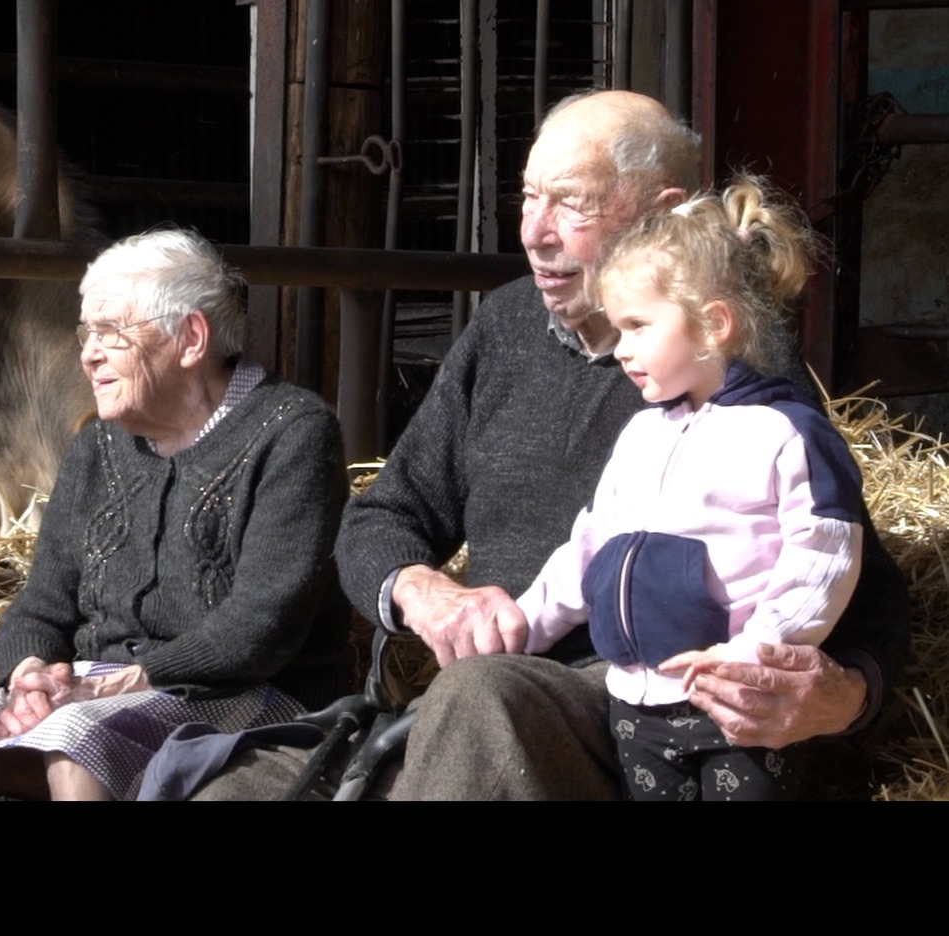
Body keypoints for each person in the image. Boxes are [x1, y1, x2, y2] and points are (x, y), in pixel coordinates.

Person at [194, 88, 908, 801]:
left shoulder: (732, 366)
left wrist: (842, 694)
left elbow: (861, 581)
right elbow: (383, 514)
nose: (535, 231)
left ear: (658, 214)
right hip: (475, 721)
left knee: (481, 694)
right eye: (530, 197)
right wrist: (425, 592)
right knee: (231, 786)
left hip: (643, 706)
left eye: (572, 203)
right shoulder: (504, 327)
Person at [0, 228, 350, 800]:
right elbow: (40, 606)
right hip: (99, 693)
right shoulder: (97, 447)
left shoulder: (292, 434)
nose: (89, 353)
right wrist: (30, 679)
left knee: (76, 740)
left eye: (111, 332)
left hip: (246, 691)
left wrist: (123, 684)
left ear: (190, 339)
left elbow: (260, 629)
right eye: (86, 332)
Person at [511, 178, 864, 800]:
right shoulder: (642, 433)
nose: (621, 350)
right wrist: (523, 624)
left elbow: (823, 555)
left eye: (638, 326)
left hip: (737, 702)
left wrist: (757, 653)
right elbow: (590, 545)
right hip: (635, 701)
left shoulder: (786, 433)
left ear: (713, 324)